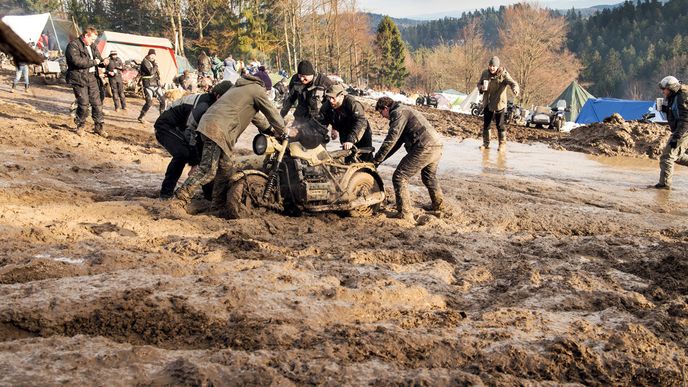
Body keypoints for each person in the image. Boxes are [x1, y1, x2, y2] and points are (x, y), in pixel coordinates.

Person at [173, 74, 288, 213]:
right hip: (218, 129)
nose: (267, 93)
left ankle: (218, 206)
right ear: (265, 86)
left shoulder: (240, 88)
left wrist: (270, 131)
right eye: (268, 91)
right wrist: (283, 131)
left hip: (210, 125)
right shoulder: (257, 90)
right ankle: (179, 200)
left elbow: (257, 117)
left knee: (225, 169)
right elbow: (272, 112)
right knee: (208, 169)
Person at [155, 81, 234, 199]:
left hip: (182, 129)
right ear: (218, 96)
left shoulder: (215, 104)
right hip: (165, 127)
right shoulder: (204, 105)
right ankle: (166, 193)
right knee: (182, 154)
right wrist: (194, 162)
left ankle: (209, 196)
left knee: (206, 160)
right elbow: (190, 131)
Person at [373, 96, 444, 221]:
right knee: (429, 177)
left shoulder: (397, 113)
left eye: (381, 112)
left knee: (400, 176)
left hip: (424, 146)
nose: (382, 116)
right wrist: (379, 160)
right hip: (436, 144)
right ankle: (439, 207)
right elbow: (396, 143)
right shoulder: (403, 110)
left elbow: (391, 139)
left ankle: (405, 213)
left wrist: (376, 160)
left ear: (386, 108)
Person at [65, 26, 109, 137]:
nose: (93, 42)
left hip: (92, 78)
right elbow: (77, 61)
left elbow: (98, 59)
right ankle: (80, 126)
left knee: (97, 104)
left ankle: (99, 127)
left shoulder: (92, 46)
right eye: (92, 39)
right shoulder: (73, 45)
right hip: (79, 78)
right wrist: (94, 62)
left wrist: (103, 62)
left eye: (95, 40)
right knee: (83, 104)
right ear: (85, 36)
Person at [280, 60, 333, 145]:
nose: (301, 79)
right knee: (293, 141)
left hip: (318, 120)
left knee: (317, 146)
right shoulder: (295, 80)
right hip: (300, 117)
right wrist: (281, 116)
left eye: (304, 76)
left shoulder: (324, 82)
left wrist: (334, 127)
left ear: (311, 74)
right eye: (300, 75)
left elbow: (332, 105)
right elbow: (290, 100)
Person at [318, 83, 373, 161]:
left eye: (333, 98)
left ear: (342, 96)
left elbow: (360, 121)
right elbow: (321, 123)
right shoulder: (326, 106)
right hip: (344, 132)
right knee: (348, 159)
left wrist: (351, 140)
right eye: (329, 97)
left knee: (365, 159)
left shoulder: (352, 104)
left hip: (360, 131)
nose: (331, 100)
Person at [477, 56, 519, 152]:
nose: (492, 68)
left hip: (499, 102)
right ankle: (486, 143)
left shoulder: (503, 74)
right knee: (486, 124)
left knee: (500, 125)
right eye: (490, 66)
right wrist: (481, 88)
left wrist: (515, 90)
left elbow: (513, 83)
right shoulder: (485, 73)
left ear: (497, 66)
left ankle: (502, 144)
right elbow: (478, 83)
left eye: (494, 66)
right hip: (487, 101)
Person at [655, 76, 688, 190]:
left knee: (667, 157)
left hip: (684, 131)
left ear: (672, 88)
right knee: (676, 156)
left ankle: (664, 185)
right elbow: (675, 112)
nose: (663, 91)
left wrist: (677, 137)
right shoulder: (674, 96)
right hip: (682, 130)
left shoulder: (682, 97)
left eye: (665, 89)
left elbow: (685, 119)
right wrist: (665, 109)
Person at [137, 49, 166, 123]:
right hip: (148, 85)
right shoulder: (145, 62)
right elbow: (151, 72)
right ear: (149, 55)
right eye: (152, 55)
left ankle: (162, 118)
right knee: (149, 103)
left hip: (156, 84)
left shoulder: (152, 62)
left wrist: (160, 81)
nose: (153, 57)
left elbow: (156, 73)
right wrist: (156, 65)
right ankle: (141, 117)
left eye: (154, 55)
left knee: (163, 101)